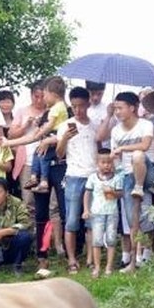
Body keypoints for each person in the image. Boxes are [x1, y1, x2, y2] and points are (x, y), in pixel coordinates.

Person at [107, 91, 154, 271]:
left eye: (120, 108)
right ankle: (136, 259)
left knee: (137, 155)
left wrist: (123, 148)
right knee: (132, 218)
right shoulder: (115, 130)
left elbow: (145, 146)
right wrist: (113, 158)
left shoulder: (145, 124)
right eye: (115, 108)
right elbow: (116, 159)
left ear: (132, 108)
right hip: (128, 174)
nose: (117, 112)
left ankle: (147, 252)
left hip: (147, 171)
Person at [57, 86, 98, 273]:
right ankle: (71, 259)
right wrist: (65, 138)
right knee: (72, 220)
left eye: (81, 105)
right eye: (74, 106)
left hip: (93, 176)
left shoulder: (95, 124)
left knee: (91, 221)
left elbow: (101, 147)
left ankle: (90, 258)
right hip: (73, 176)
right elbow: (59, 154)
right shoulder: (65, 126)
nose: (78, 110)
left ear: (88, 104)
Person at [83, 150, 123, 278]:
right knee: (97, 240)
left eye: (109, 162)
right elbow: (87, 194)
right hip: (97, 213)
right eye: (103, 162)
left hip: (112, 213)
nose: (106, 165)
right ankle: (97, 267)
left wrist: (112, 192)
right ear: (97, 163)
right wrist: (86, 209)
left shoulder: (117, 178)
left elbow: (120, 194)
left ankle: (108, 267)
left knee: (111, 239)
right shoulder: (93, 178)